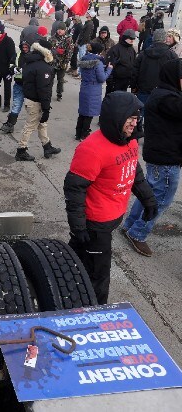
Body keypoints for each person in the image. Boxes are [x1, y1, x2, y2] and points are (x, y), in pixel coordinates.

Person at [64, 91, 157, 303]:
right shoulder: (92, 149)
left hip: (113, 215)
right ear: (116, 116)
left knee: (76, 256)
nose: (134, 124)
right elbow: (75, 189)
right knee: (99, 274)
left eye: (137, 119)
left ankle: (61, 273)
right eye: (130, 118)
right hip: (96, 224)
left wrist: (148, 198)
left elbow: (134, 171)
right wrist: (78, 225)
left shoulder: (129, 140)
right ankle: (96, 310)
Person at [123, 59, 182, 257]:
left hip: (161, 155)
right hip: (165, 159)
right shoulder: (168, 98)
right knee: (162, 198)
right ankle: (138, 233)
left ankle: (130, 225)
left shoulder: (165, 93)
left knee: (149, 193)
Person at [15, 39, 61, 161]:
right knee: (30, 125)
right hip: (36, 101)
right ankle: (21, 150)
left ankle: (47, 146)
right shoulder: (43, 67)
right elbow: (43, 89)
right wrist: (46, 109)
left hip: (30, 98)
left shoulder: (29, 61)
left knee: (42, 124)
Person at [130, 28, 178, 133]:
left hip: (143, 88)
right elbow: (176, 75)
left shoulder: (143, 54)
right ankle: (151, 135)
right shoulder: (171, 55)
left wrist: (133, 86)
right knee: (158, 116)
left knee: (140, 114)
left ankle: (136, 134)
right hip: (163, 91)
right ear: (165, 39)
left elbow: (135, 72)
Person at [76, 41, 113, 140]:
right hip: (93, 89)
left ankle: (78, 133)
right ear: (100, 51)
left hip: (84, 87)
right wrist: (109, 69)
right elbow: (101, 78)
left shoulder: (84, 59)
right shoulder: (98, 63)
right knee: (89, 114)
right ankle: (84, 134)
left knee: (82, 112)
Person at [106, 29, 137, 94]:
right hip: (116, 81)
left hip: (126, 80)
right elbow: (109, 65)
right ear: (125, 38)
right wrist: (110, 82)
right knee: (112, 100)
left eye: (134, 38)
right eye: (131, 38)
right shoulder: (115, 49)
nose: (132, 40)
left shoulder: (131, 49)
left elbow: (133, 64)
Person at [50, 22, 75, 101]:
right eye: (58, 29)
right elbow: (48, 49)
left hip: (62, 63)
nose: (59, 31)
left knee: (60, 80)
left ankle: (59, 94)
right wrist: (54, 51)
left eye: (61, 29)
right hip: (53, 62)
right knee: (50, 79)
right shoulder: (52, 38)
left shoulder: (68, 39)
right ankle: (48, 93)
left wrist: (66, 61)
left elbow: (70, 52)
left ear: (65, 30)